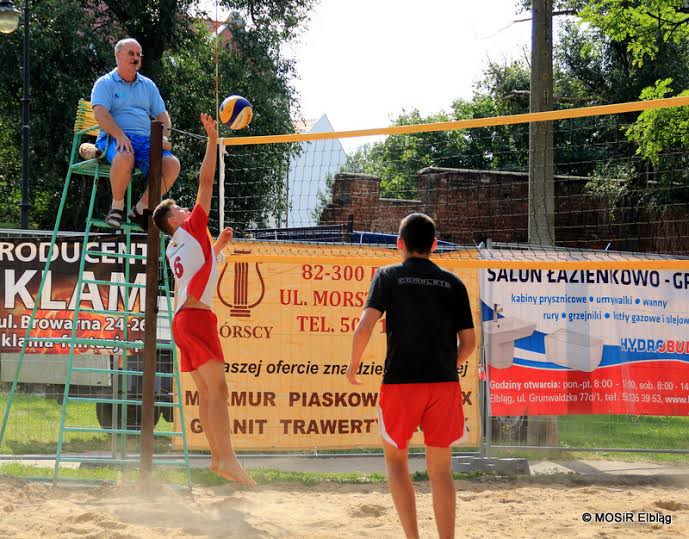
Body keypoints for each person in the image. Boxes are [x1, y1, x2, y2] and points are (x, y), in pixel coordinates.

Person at [346, 213, 476, 539]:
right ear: (434, 245)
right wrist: (448, 363)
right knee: (441, 471)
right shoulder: (454, 283)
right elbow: (470, 343)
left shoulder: (388, 276)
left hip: (401, 383)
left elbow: (364, 326)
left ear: (399, 244)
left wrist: (353, 365)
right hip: (443, 383)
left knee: (396, 461)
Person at [152, 113, 254, 486]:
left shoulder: (175, 248)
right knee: (219, 390)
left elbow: (203, 273)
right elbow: (206, 180)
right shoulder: (191, 227)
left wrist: (220, 249)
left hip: (183, 320)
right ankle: (225, 458)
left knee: (207, 391)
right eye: (180, 209)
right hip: (196, 319)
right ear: (175, 222)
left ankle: (219, 458)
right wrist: (212, 139)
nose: (187, 209)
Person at [91, 38, 181, 229]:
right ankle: (117, 206)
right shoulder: (105, 83)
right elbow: (100, 113)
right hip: (114, 138)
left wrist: (162, 137)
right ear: (118, 56)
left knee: (172, 165)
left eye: (138, 54)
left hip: (146, 141)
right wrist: (119, 135)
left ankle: (141, 208)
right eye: (131, 53)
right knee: (125, 156)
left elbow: (162, 114)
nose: (136, 58)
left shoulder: (148, 85)